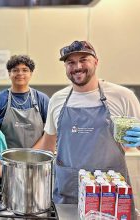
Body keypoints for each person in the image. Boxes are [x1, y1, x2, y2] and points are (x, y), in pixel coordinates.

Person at [36, 40, 140, 207]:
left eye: (83, 59)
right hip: (68, 193)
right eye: (70, 62)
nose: (77, 66)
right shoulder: (57, 99)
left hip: (110, 194)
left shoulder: (123, 97)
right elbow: (47, 148)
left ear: (96, 62)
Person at [0, 55, 49, 149]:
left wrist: (32, 153)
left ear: (31, 73)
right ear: (9, 73)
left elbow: (50, 132)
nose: (20, 73)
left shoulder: (42, 99)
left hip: (36, 159)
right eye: (15, 70)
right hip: (5, 159)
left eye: (25, 70)